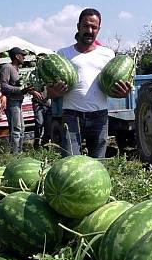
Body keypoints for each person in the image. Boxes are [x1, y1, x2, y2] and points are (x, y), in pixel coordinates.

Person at [47, 8, 132, 158]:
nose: (90, 30)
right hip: (71, 117)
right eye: (86, 26)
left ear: (99, 29)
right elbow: (50, 92)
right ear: (78, 26)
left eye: (94, 27)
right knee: (71, 164)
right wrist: (54, 93)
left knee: (97, 166)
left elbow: (112, 89)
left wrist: (123, 93)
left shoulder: (108, 54)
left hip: (99, 117)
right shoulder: (62, 54)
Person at [0, 47, 43, 154]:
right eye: (22, 55)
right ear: (17, 56)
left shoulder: (16, 70)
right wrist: (20, 90)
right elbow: (4, 86)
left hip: (18, 102)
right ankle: (15, 155)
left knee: (21, 129)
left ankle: (18, 152)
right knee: (16, 130)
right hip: (12, 103)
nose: (24, 57)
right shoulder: (7, 67)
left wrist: (30, 90)